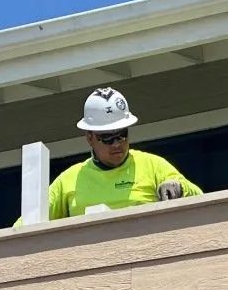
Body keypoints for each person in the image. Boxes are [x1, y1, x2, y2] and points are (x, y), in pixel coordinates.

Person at [40, 87, 202, 220]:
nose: (117, 143)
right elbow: (28, 223)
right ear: (89, 138)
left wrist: (180, 188)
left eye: (122, 134)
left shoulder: (152, 166)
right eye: (107, 138)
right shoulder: (68, 181)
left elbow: (200, 200)